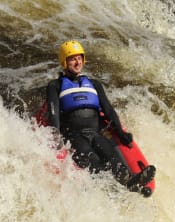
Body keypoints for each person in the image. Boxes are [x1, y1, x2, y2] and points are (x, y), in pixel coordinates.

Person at [46, 40, 155, 192]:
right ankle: (113, 191)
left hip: (96, 133)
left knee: (112, 158)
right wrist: (56, 135)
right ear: (64, 62)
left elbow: (108, 110)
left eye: (79, 58)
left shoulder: (95, 84)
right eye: (72, 59)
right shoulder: (55, 86)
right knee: (94, 161)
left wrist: (120, 132)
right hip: (75, 136)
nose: (77, 62)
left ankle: (132, 182)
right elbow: (53, 112)